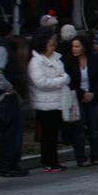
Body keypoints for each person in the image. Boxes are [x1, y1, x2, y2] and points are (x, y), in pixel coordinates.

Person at [0, 20, 27, 177]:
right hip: (6, 96)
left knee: (12, 131)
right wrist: (8, 87)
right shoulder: (2, 49)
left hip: (9, 95)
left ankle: (10, 163)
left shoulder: (3, 47)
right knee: (9, 132)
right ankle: (7, 164)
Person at [28, 26, 70, 172]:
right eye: (51, 44)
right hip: (45, 104)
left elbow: (64, 75)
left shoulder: (55, 57)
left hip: (57, 101)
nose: (54, 47)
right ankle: (48, 162)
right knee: (48, 135)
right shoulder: (36, 62)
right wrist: (60, 81)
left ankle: (53, 161)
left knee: (53, 134)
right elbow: (41, 82)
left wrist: (62, 79)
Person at [65, 35, 98, 166]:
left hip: (93, 96)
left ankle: (96, 155)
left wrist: (92, 92)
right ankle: (81, 157)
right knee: (79, 128)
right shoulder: (70, 62)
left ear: (84, 47)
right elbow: (70, 82)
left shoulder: (95, 60)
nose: (74, 49)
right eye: (73, 46)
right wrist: (83, 93)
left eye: (77, 46)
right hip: (78, 97)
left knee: (94, 128)